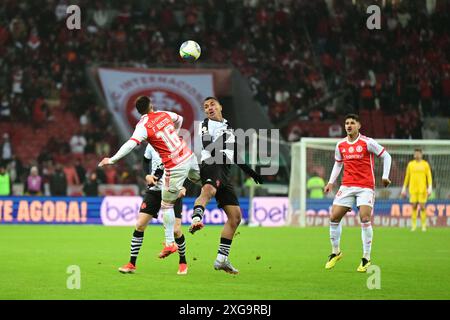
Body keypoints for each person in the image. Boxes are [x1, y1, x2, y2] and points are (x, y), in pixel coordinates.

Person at [98, 96, 200, 258]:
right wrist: (176, 135)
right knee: (201, 181)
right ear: (151, 105)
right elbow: (179, 119)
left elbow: (130, 144)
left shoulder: (143, 125)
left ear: (138, 112)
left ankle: (169, 244)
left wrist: (112, 159)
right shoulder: (164, 114)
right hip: (188, 155)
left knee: (166, 205)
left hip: (174, 165)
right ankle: (213, 193)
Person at [189, 97, 262, 274]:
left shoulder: (228, 127)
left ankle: (222, 259)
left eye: (212, 104)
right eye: (206, 107)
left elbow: (234, 154)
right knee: (208, 190)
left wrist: (250, 172)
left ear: (220, 106)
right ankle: (197, 218)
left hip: (225, 170)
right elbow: (207, 145)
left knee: (235, 217)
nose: (209, 108)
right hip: (213, 164)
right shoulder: (206, 124)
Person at [323, 113, 392, 272]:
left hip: (365, 187)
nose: (348, 125)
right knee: (334, 217)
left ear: (359, 125)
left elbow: (386, 156)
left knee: (365, 217)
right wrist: (330, 182)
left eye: (352, 123)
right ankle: (336, 252)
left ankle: (366, 258)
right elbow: (338, 164)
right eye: (346, 123)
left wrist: (385, 176)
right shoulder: (340, 145)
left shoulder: (367, 142)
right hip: (346, 186)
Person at [118, 144, 188, 275]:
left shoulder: (175, 143)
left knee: (176, 230)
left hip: (172, 190)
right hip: (154, 190)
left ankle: (183, 262)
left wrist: (184, 186)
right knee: (139, 225)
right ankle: (131, 264)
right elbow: (145, 162)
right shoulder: (151, 145)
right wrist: (147, 176)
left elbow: (187, 166)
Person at [401, 148, 433, 232]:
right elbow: (407, 177)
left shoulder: (425, 164)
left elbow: (429, 176)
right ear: (414, 155)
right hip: (413, 189)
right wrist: (404, 188)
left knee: (422, 207)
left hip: (422, 189)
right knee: (414, 206)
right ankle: (414, 226)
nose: (417, 155)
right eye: (416, 153)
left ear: (421, 154)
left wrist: (429, 187)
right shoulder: (410, 164)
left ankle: (423, 226)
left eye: (418, 153)